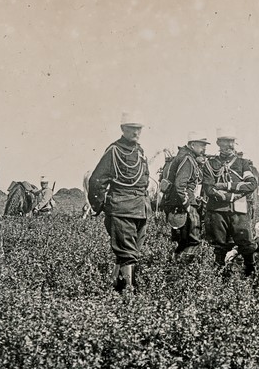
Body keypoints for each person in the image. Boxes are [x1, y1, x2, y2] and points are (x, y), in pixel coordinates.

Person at [88, 111, 152, 293]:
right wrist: (100, 206)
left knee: (132, 252)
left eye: (138, 129)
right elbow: (96, 180)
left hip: (141, 208)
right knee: (127, 253)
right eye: (132, 129)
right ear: (123, 129)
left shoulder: (139, 151)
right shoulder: (114, 151)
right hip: (121, 208)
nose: (136, 133)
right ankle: (129, 293)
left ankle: (115, 285)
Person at [202, 127, 259, 277]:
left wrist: (226, 186)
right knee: (219, 246)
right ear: (218, 143)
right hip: (217, 211)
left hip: (239, 212)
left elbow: (251, 185)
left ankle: (250, 277)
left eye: (231, 141)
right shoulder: (210, 164)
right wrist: (233, 196)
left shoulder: (242, 163)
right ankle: (221, 278)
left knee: (247, 245)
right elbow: (209, 189)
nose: (229, 145)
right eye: (225, 141)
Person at [160, 130, 210, 264]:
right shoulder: (188, 159)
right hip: (184, 206)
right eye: (202, 145)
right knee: (193, 240)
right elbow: (180, 185)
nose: (204, 148)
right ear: (192, 145)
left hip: (177, 206)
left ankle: (175, 268)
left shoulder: (183, 156)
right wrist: (188, 205)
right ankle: (183, 272)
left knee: (182, 242)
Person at [237, 151, 259, 222]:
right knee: (253, 206)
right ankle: (252, 221)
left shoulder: (242, 168)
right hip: (254, 190)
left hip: (247, 190)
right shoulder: (255, 169)